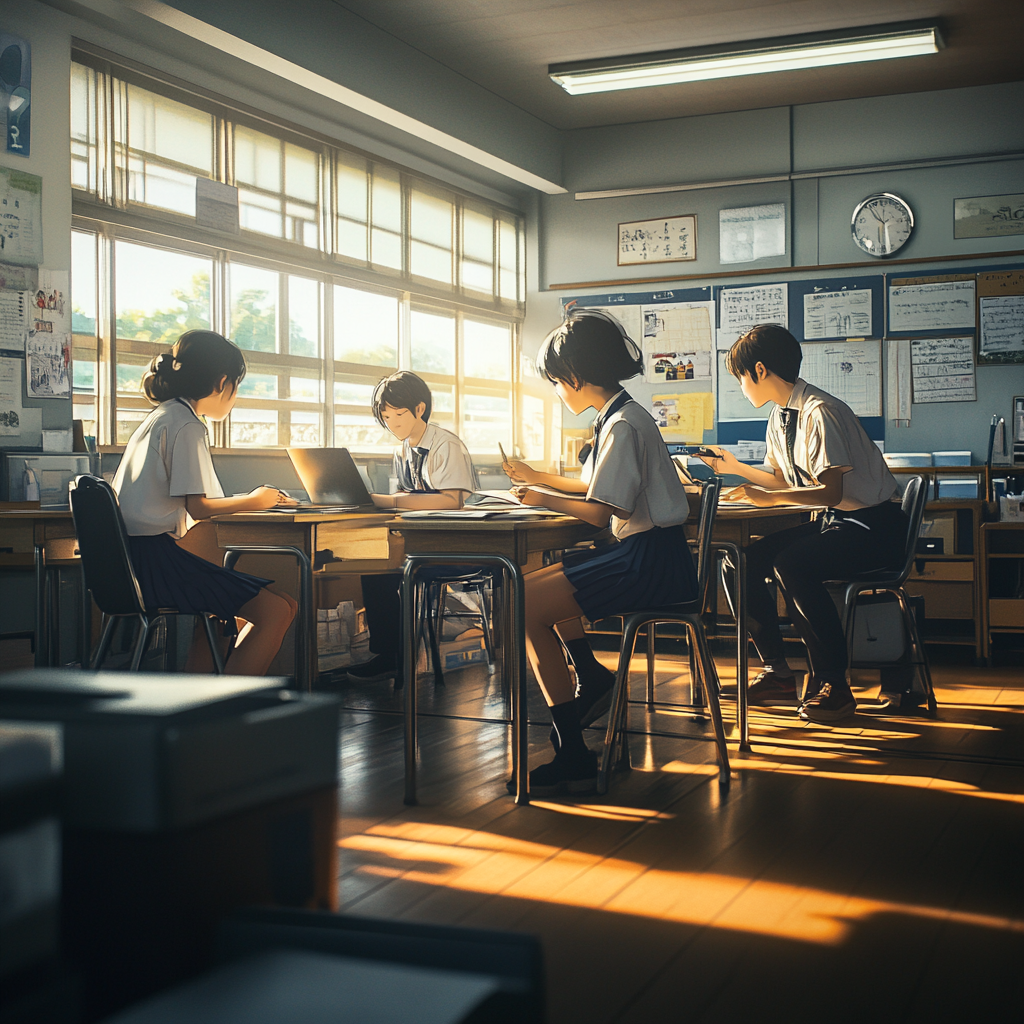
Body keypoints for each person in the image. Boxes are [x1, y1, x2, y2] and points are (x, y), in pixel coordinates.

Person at [503, 309, 698, 794]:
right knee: (523, 593)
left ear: (574, 376)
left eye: (555, 381)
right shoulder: (620, 415)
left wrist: (542, 497)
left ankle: (573, 750)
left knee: (521, 602)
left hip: (649, 563)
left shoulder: (623, 425)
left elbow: (596, 511)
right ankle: (589, 677)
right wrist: (540, 480)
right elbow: (596, 486)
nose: (556, 390)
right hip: (652, 555)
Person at [699, 324, 905, 724]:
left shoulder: (819, 411)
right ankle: (777, 671)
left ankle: (834, 685)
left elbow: (827, 492)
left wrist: (768, 498)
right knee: (742, 560)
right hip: (840, 523)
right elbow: (781, 480)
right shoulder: (782, 415)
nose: (741, 387)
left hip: (874, 528)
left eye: (740, 377)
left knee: (793, 563)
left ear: (759, 371)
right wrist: (734, 468)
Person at [113, 330, 299, 675]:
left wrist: (249, 500)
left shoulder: (162, 416)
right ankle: (224, 707)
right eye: (237, 387)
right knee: (277, 611)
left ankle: (202, 698)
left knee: (273, 605)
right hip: (158, 564)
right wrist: (256, 499)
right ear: (222, 382)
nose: (235, 396)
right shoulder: (187, 425)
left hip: (134, 562)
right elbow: (199, 507)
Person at [347, 370, 478, 684]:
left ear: (420, 409)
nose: (393, 423)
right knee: (374, 563)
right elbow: (409, 497)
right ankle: (390, 655)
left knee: (387, 566)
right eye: (386, 416)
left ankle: (397, 655)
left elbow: (452, 501)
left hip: (458, 543)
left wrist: (390, 502)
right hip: (421, 541)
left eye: (400, 414)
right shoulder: (402, 449)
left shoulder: (446, 445)